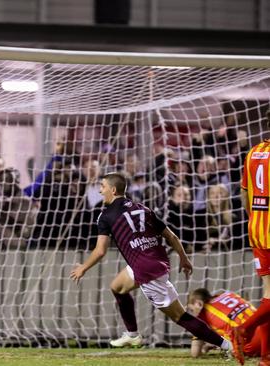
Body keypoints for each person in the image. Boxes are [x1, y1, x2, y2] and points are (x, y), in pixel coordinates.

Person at [69, 172, 231, 352]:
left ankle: (228, 345)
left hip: (147, 271)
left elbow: (100, 251)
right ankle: (132, 335)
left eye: (103, 187)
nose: (100, 191)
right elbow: (171, 236)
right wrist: (184, 259)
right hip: (152, 262)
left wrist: (83, 268)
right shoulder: (143, 208)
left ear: (113, 190)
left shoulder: (105, 216)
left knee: (180, 316)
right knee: (117, 287)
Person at [235, 122, 270, 366]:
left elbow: (244, 193)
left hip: (257, 229)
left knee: (269, 295)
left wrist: (255, 218)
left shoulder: (253, 152)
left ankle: (266, 357)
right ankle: (242, 330)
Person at [186, 288, 267, 359]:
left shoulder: (202, 317)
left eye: (191, 310)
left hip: (254, 342)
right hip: (266, 327)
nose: (192, 314)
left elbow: (195, 353)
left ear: (199, 304)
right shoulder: (229, 294)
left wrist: (203, 349)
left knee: (235, 349)